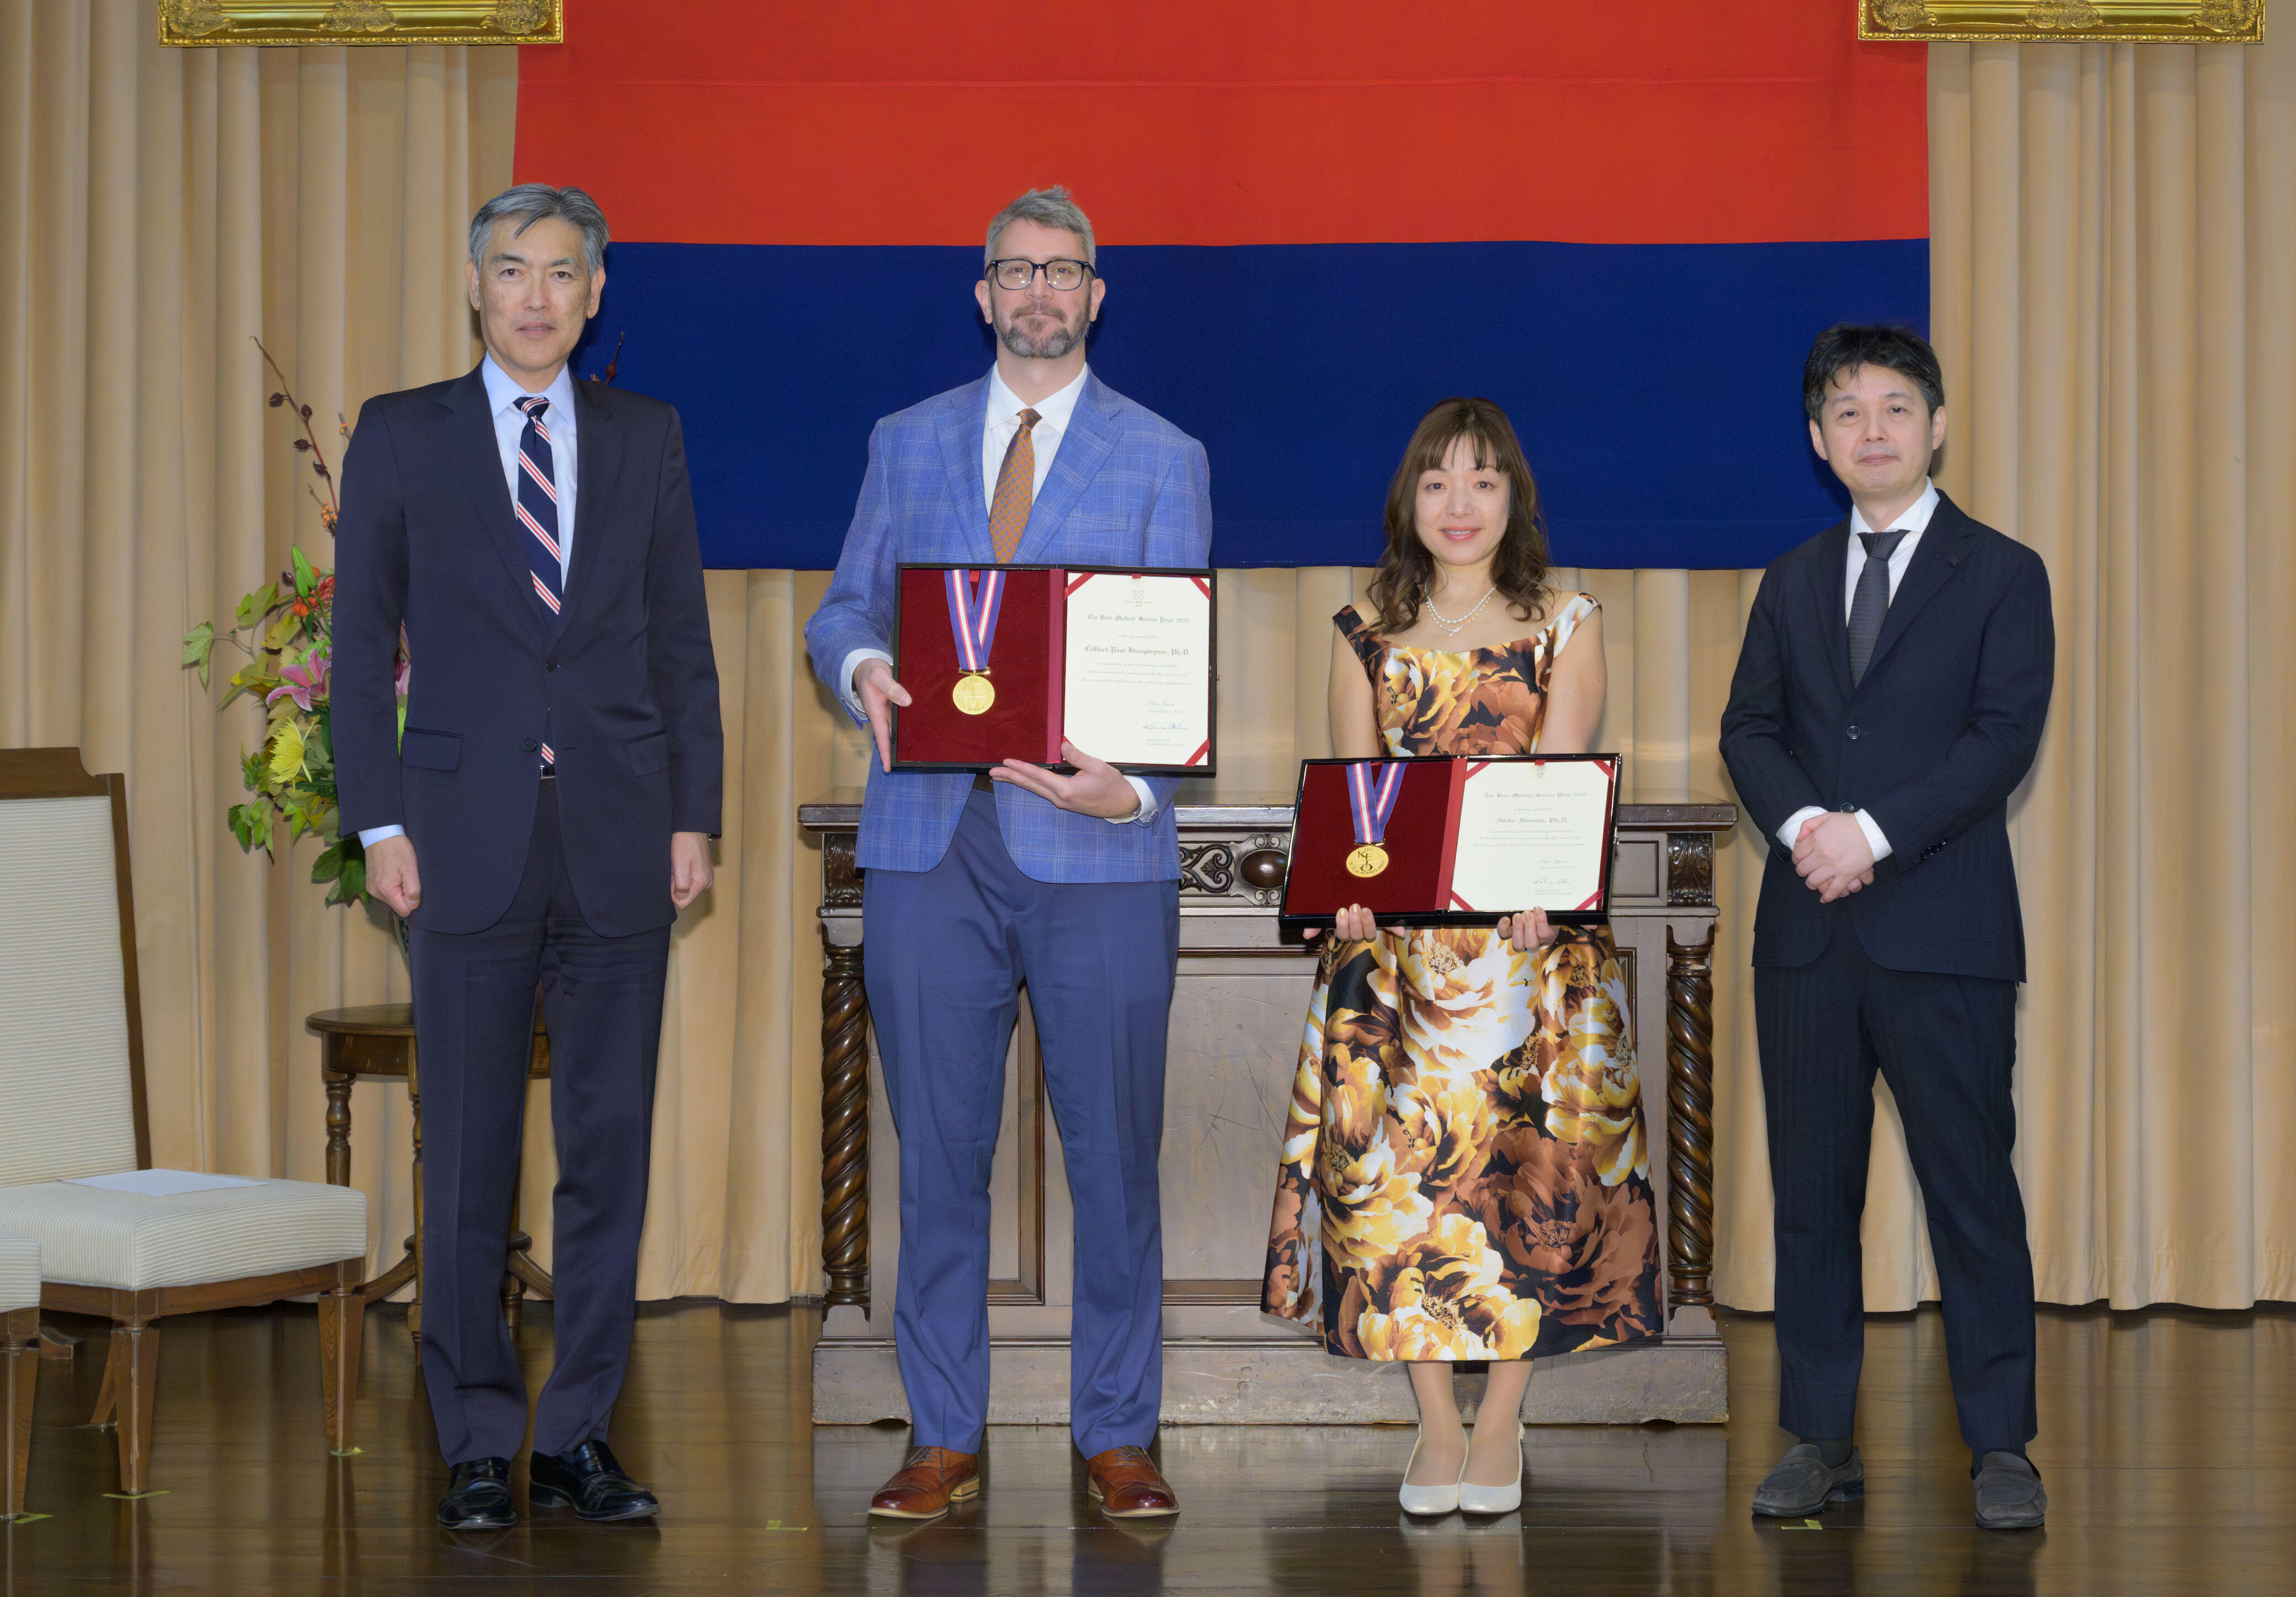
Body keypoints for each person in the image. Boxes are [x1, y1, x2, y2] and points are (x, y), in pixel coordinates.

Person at [803, 186, 1210, 1522]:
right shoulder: (904, 441)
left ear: (1096, 295)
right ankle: (941, 1435)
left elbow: (1175, 658)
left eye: (1062, 270)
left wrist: (1131, 791)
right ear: (982, 295)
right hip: (932, 841)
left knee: (1114, 1159)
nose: (1038, 291)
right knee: (937, 1158)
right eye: (1015, 270)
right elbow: (843, 610)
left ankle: (1118, 1434)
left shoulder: (1165, 456)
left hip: (1099, 849)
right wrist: (863, 668)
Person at [332, 183, 722, 1532]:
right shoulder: (401, 434)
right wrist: (378, 822)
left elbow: (680, 641)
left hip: (619, 839)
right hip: (457, 846)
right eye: (513, 270)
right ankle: (475, 1438)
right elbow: (358, 647)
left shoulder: (645, 435)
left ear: (596, 291)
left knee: (606, 1159)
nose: (537, 296)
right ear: (475, 285)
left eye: (563, 272)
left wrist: (692, 814)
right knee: (469, 1161)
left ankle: (577, 1436)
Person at [1260, 397, 1665, 1518]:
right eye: (1436, 480)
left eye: (1482, 480)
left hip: (1527, 957)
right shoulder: (1362, 626)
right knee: (1396, 1193)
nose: (1458, 502)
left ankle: (1500, 1422)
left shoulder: (1565, 620)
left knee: (1536, 1185)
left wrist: (1545, 894)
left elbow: (1563, 781)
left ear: (1513, 498)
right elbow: (1358, 797)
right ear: (1409, 499)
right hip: (1398, 961)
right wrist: (1349, 892)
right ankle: (1436, 1423)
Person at [1718, 323, 2055, 1531]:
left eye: (1895, 408)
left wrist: (1869, 833)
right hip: (1807, 937)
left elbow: (1999, 739)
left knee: (1970, 1193)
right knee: (1812, 1199)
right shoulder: (1790, 578)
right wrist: (1807, 825)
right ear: (1818, 440)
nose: (1872, 429)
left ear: (1936, 426)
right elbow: (1748, 730)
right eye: (1847, 412)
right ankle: (1819, 1439)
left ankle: (2001, 1445)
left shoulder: (2002, 573)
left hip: (1944, 930)